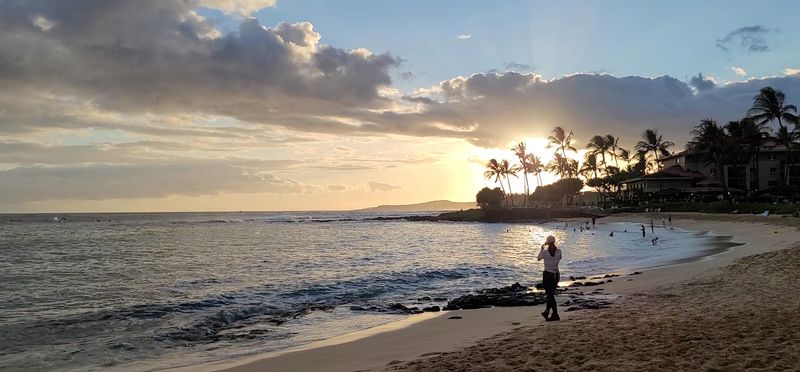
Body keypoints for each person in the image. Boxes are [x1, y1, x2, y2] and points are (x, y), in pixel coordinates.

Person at [537, 235, 562, 321]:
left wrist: (542, 249)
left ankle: (555, 314)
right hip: (556, 275)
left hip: (548, 275)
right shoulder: (559, 251)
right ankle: (547, 312)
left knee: (550, 295)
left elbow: (538, 258)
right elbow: (559, 258)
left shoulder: (545, 252)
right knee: (550, 294)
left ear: (547, 242)